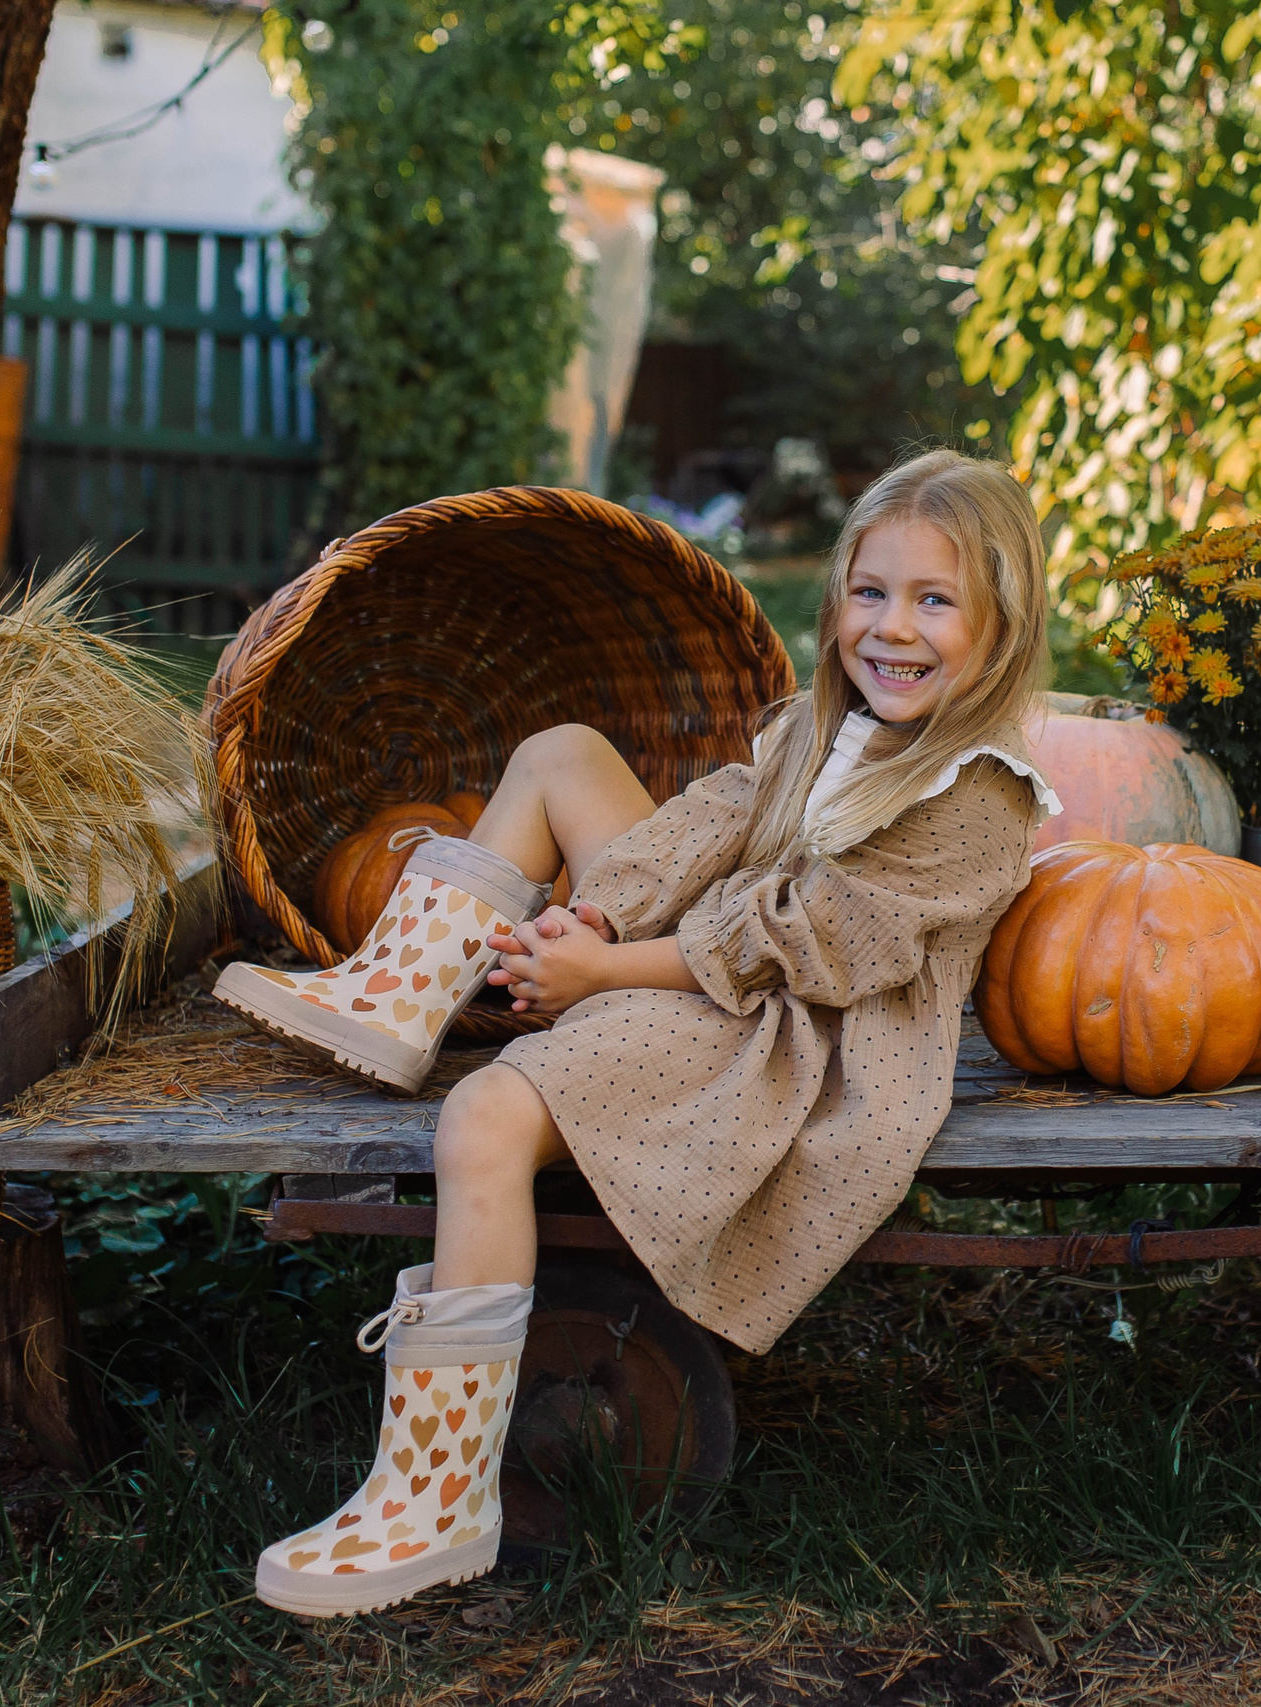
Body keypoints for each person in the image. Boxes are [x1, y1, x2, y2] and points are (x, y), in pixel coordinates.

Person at [215, 449, 1061, 1616]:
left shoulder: (978, 795)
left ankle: (436, 1499)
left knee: (485, 1119)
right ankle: (397, 998)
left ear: (1002, 624)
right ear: (834, 602)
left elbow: (798, 945)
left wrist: (600, 971)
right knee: (560, 751)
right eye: (871, 592)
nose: (892, 627)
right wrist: (602, 907)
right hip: (707, 953)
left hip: (791, 1038)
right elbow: (717, 821)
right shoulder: (828, 726)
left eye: (935, 600)